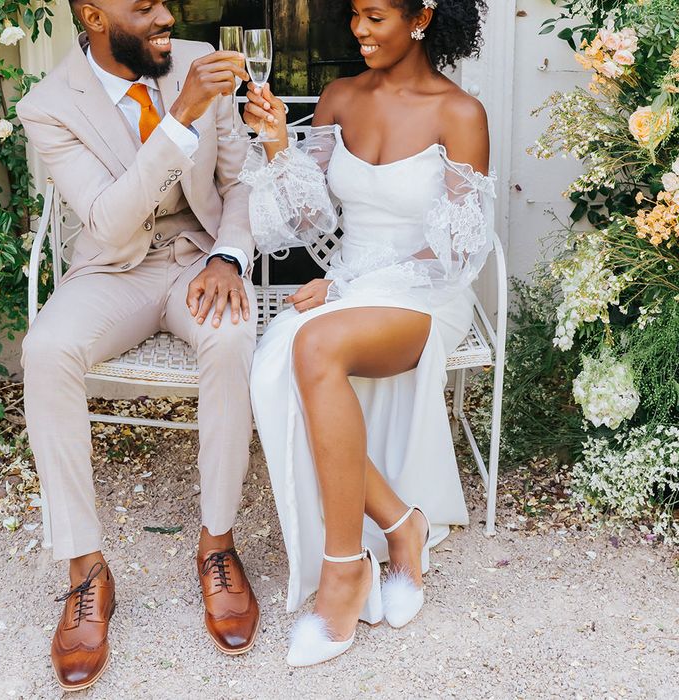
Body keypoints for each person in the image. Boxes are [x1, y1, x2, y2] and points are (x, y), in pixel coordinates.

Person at [17, 0, 261, 690]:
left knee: (231, 333)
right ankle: (86, 569)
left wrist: (231, 259)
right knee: (46, 350)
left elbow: (238, 182)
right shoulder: (49, 105)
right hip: (113, 267)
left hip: (197, 260)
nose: (165, 15)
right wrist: (180, 116)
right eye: (144, 6)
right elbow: (109, 219)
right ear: (94, 16)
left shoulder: (196, 63)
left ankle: (216, 546)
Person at [241, 0, 492, 667]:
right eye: (355, 14)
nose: (358, 30)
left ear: (421, 17)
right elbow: (308, 219)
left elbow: (455, 254)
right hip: (351, 287)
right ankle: (401, 523)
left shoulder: (459, 114)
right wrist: (275, 147)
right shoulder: (339, 96)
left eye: (375, 15)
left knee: (312, 344)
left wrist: (347, 288)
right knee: (275, 362)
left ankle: (343, 569)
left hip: (423, 296)